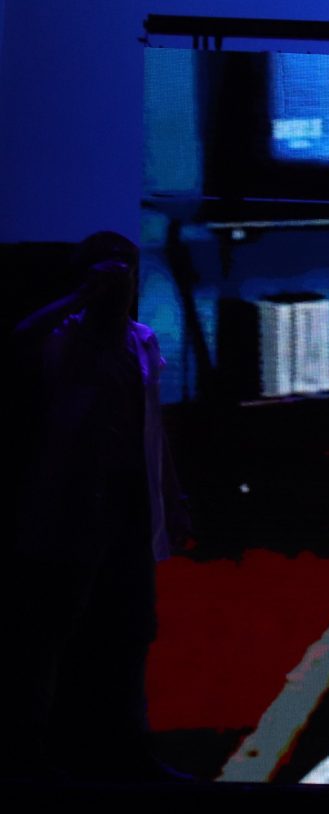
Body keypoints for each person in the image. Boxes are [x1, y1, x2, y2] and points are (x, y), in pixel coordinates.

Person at [12, 231, 189, 780]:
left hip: (127, 503)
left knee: (132, 626)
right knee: (54, 630)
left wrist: (172, 499)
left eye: (126, 276)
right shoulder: (64, 337)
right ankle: (31, 756)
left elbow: (153, 428)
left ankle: (130, 747)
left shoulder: (142, 341)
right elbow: (21, 341)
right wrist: (84, 297)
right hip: (73, 504)